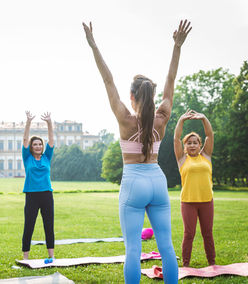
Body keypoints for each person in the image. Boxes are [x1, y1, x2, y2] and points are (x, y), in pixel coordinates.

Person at [83, 20, 191, 283]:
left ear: (131, 97)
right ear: (153, 97)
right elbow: (171, 79)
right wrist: (176, 47)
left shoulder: (124, 119)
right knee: (167, 248)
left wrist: (94, 45)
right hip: (157, 180)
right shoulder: (162, 117)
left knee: (133, 250)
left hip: (133, 182)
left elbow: (107, 79)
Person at [174, 110, 215, 267]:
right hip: (188, 202)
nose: (192, 145)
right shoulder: (182, 159)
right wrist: (181, 120)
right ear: (185, 146)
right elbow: (176, 138)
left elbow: (210, 135)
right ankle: (186, 265)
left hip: (206, 201)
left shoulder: (206, 156)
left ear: (200, 145)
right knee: (189, 234)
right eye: (189, 143)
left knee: (207, 234)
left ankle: (212, 263)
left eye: (195, 142)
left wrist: (204, 118)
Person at [21, 111, 55, 261]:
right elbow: (24, 139)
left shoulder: (47, 157)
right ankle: (25, 257)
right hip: (32, 195)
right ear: (31, 147)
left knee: (49, 225)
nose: (38, 146)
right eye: (35, 144)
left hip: (47, 194)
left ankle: (51, 256)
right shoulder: (27, 157)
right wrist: (28, 122)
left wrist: (49, 122)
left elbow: (52, 140)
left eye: (40, 144)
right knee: (29, 225)